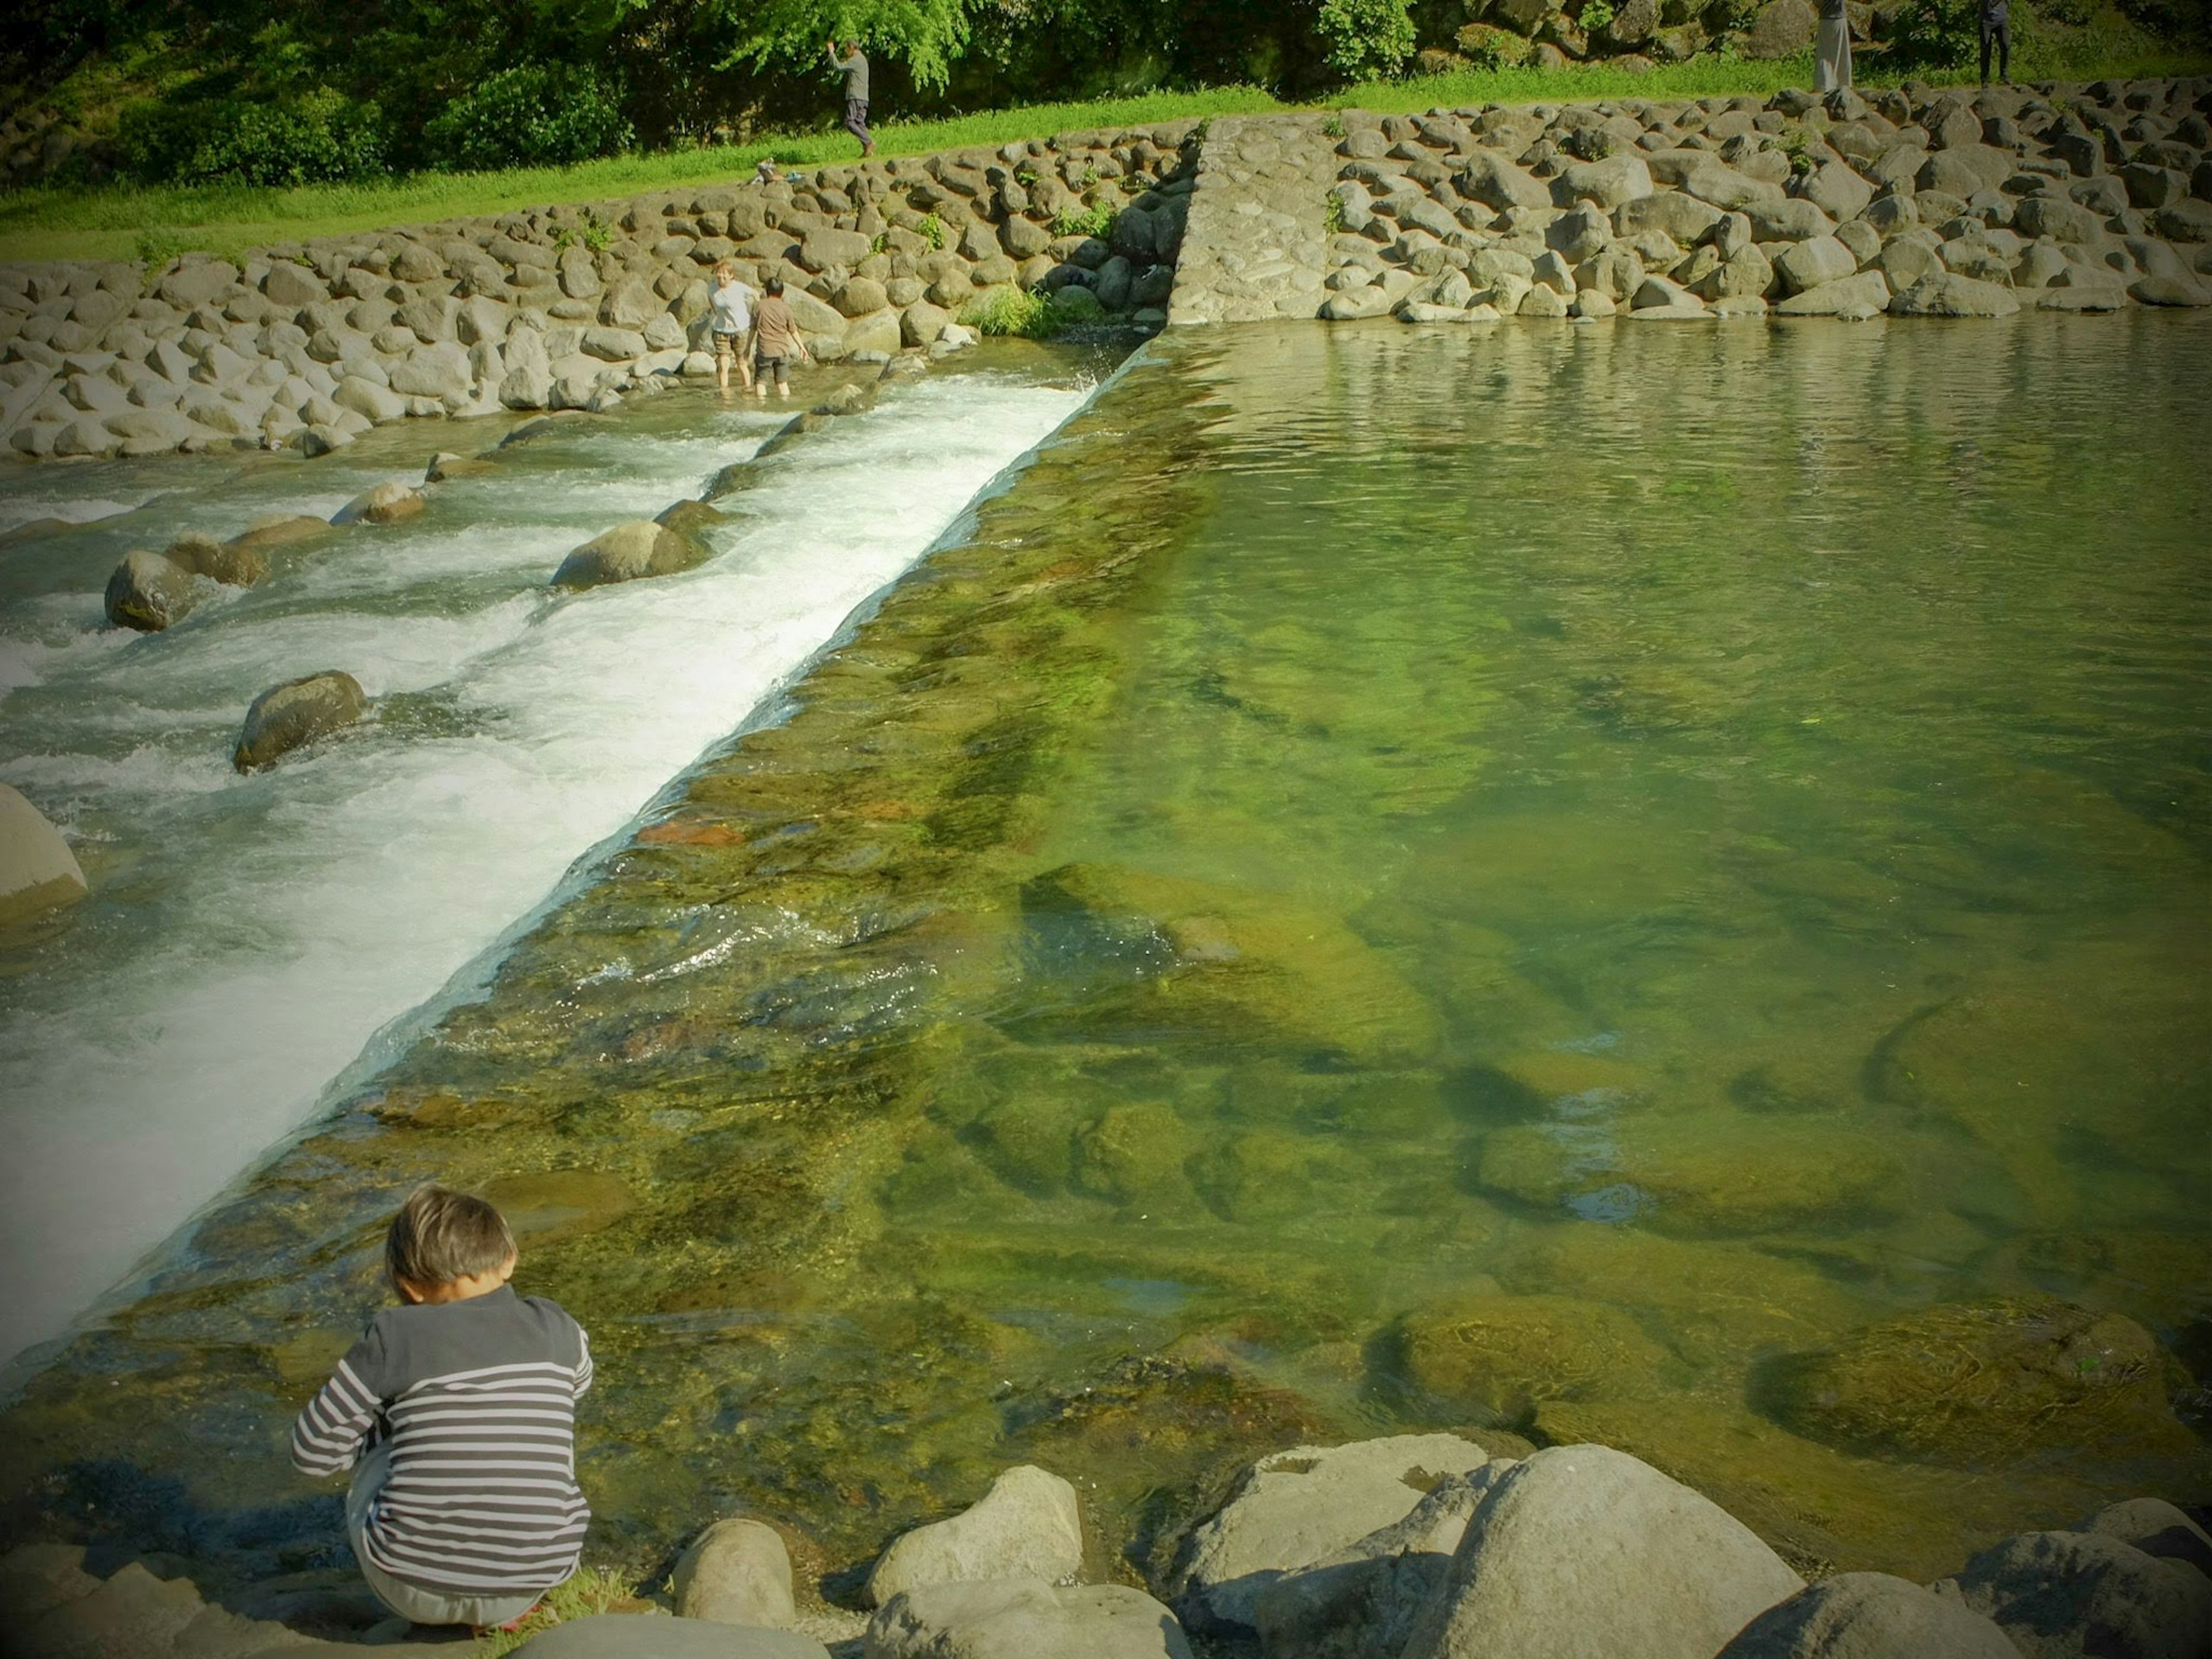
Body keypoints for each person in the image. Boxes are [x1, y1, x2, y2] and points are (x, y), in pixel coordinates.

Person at [291, 1185, 593, 1635]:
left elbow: (312, 1455)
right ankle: (504, 1611)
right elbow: (580, 1384)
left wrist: (386, 1423)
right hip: (532, 1581)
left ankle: (433, 1581)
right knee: (544, 1418)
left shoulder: (394, 1335)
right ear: (510, 1259)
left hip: (407, 1586)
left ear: (409, 1287)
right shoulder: (557, 1325)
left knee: (391, 1428)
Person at [750, 275, 810, 399]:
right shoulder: (786, 309)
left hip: (765, 351)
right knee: (783, 383)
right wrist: (802, 348)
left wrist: (746, 348)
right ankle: (785, 406)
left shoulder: (758, 306)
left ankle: (762, 409)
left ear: (767, 291)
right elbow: (793, 331)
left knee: (761, 383)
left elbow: (753, 329)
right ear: (782, 293)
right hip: (783, 351)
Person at [709, 259, 757, 395]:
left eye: (724, 274)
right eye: (719, 273)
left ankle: (748, 391)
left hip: (740, 331)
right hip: (721, 331)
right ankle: (724, 394)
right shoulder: (711, 289)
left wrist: (755, 313)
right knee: (723, 366)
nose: (721, 276)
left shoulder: (739, 287)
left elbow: (755, 294)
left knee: (742, 364)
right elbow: (712, 304)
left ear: (731, 275)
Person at [826, 37, 873, 157]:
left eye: (846, 49)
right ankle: (868, 149)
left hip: (856, 96)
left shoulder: (856, 60)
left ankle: (868, 142)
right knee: (859, 122)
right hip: (864, 97)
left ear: (851, 48)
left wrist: (832, 53)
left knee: (849, 122)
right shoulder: (863, 59)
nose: (846, 52)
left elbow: (839, 67)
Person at [1813, 0, 1851, 92]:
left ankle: (1824, 84)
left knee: (1824, 54)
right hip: (1840, 19)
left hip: (1825, 20)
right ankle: (1843, 82)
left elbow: (1816, 3)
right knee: (1842, 54)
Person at [1979, 0, 2010, 85]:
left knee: (2006, 46)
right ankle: (1985, 78)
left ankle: (2004, 75)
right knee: (1986, 49)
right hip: (1986, 20)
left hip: (2002, 19)